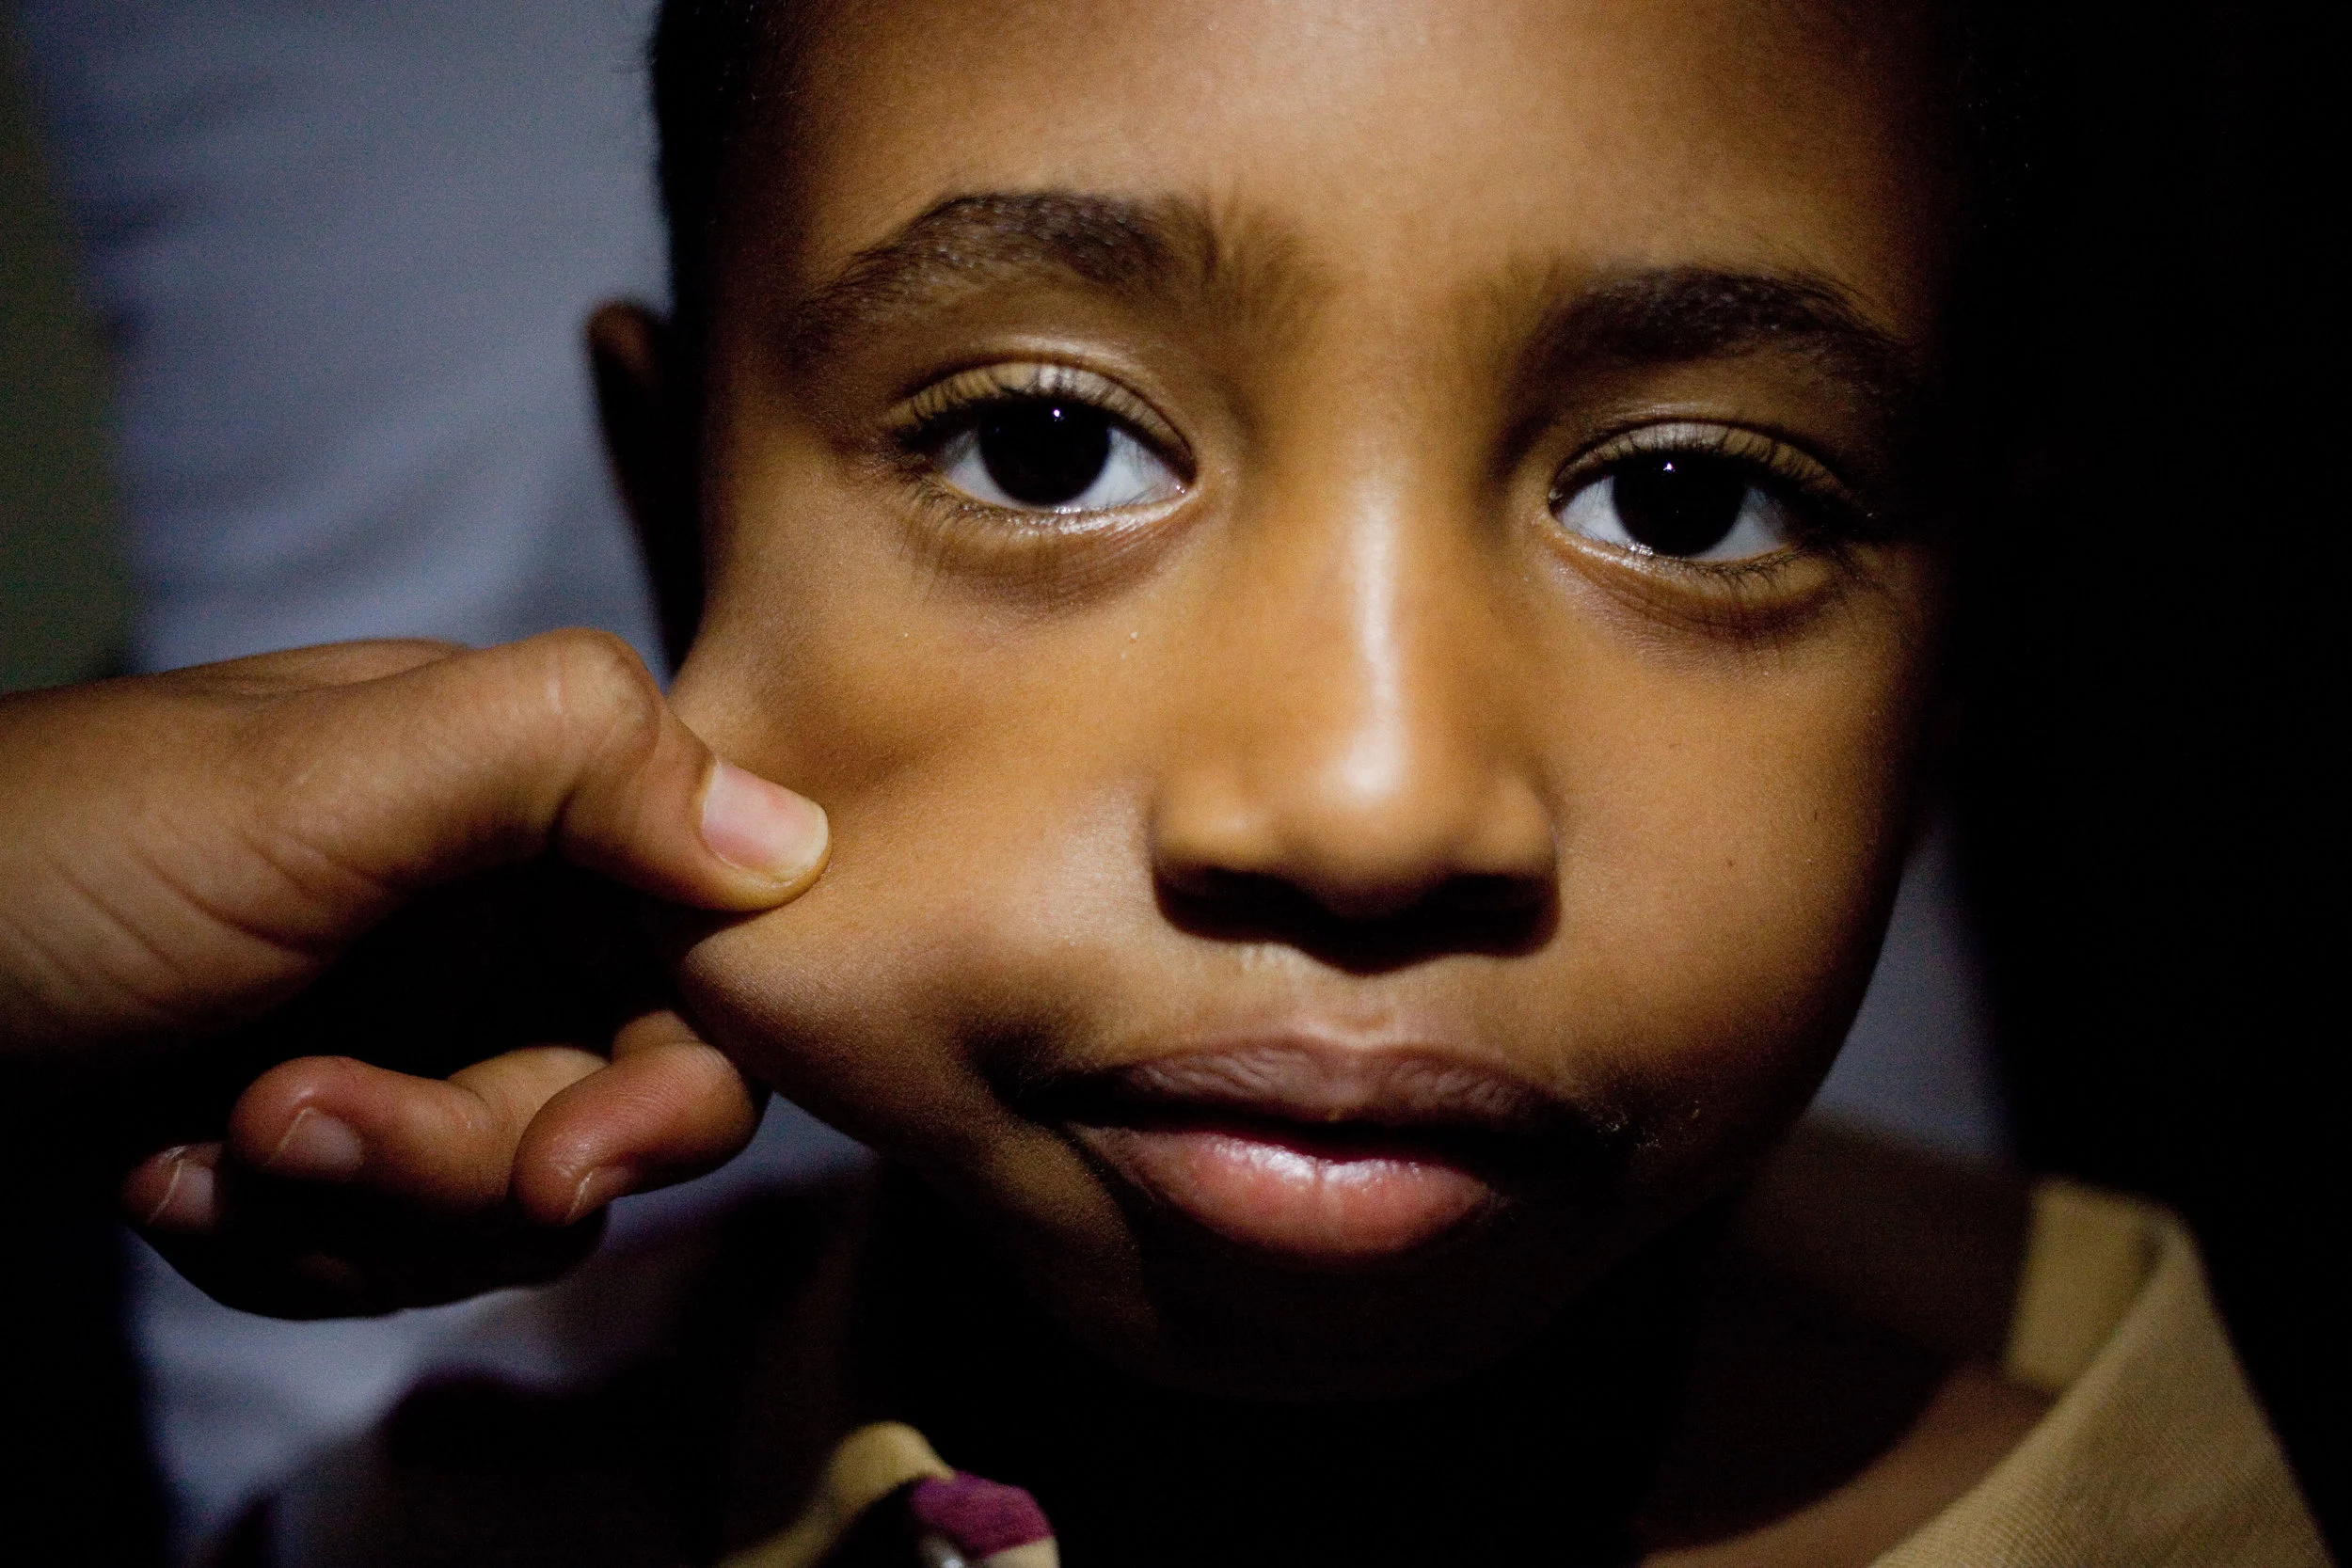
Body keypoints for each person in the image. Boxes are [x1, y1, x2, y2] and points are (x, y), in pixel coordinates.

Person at [3, 0, 2322, 1562]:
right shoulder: (458, 1513)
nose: (1366, 803)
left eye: (1685, 502)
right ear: (676, 523)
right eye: (1045, 448)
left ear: (1948, 668)